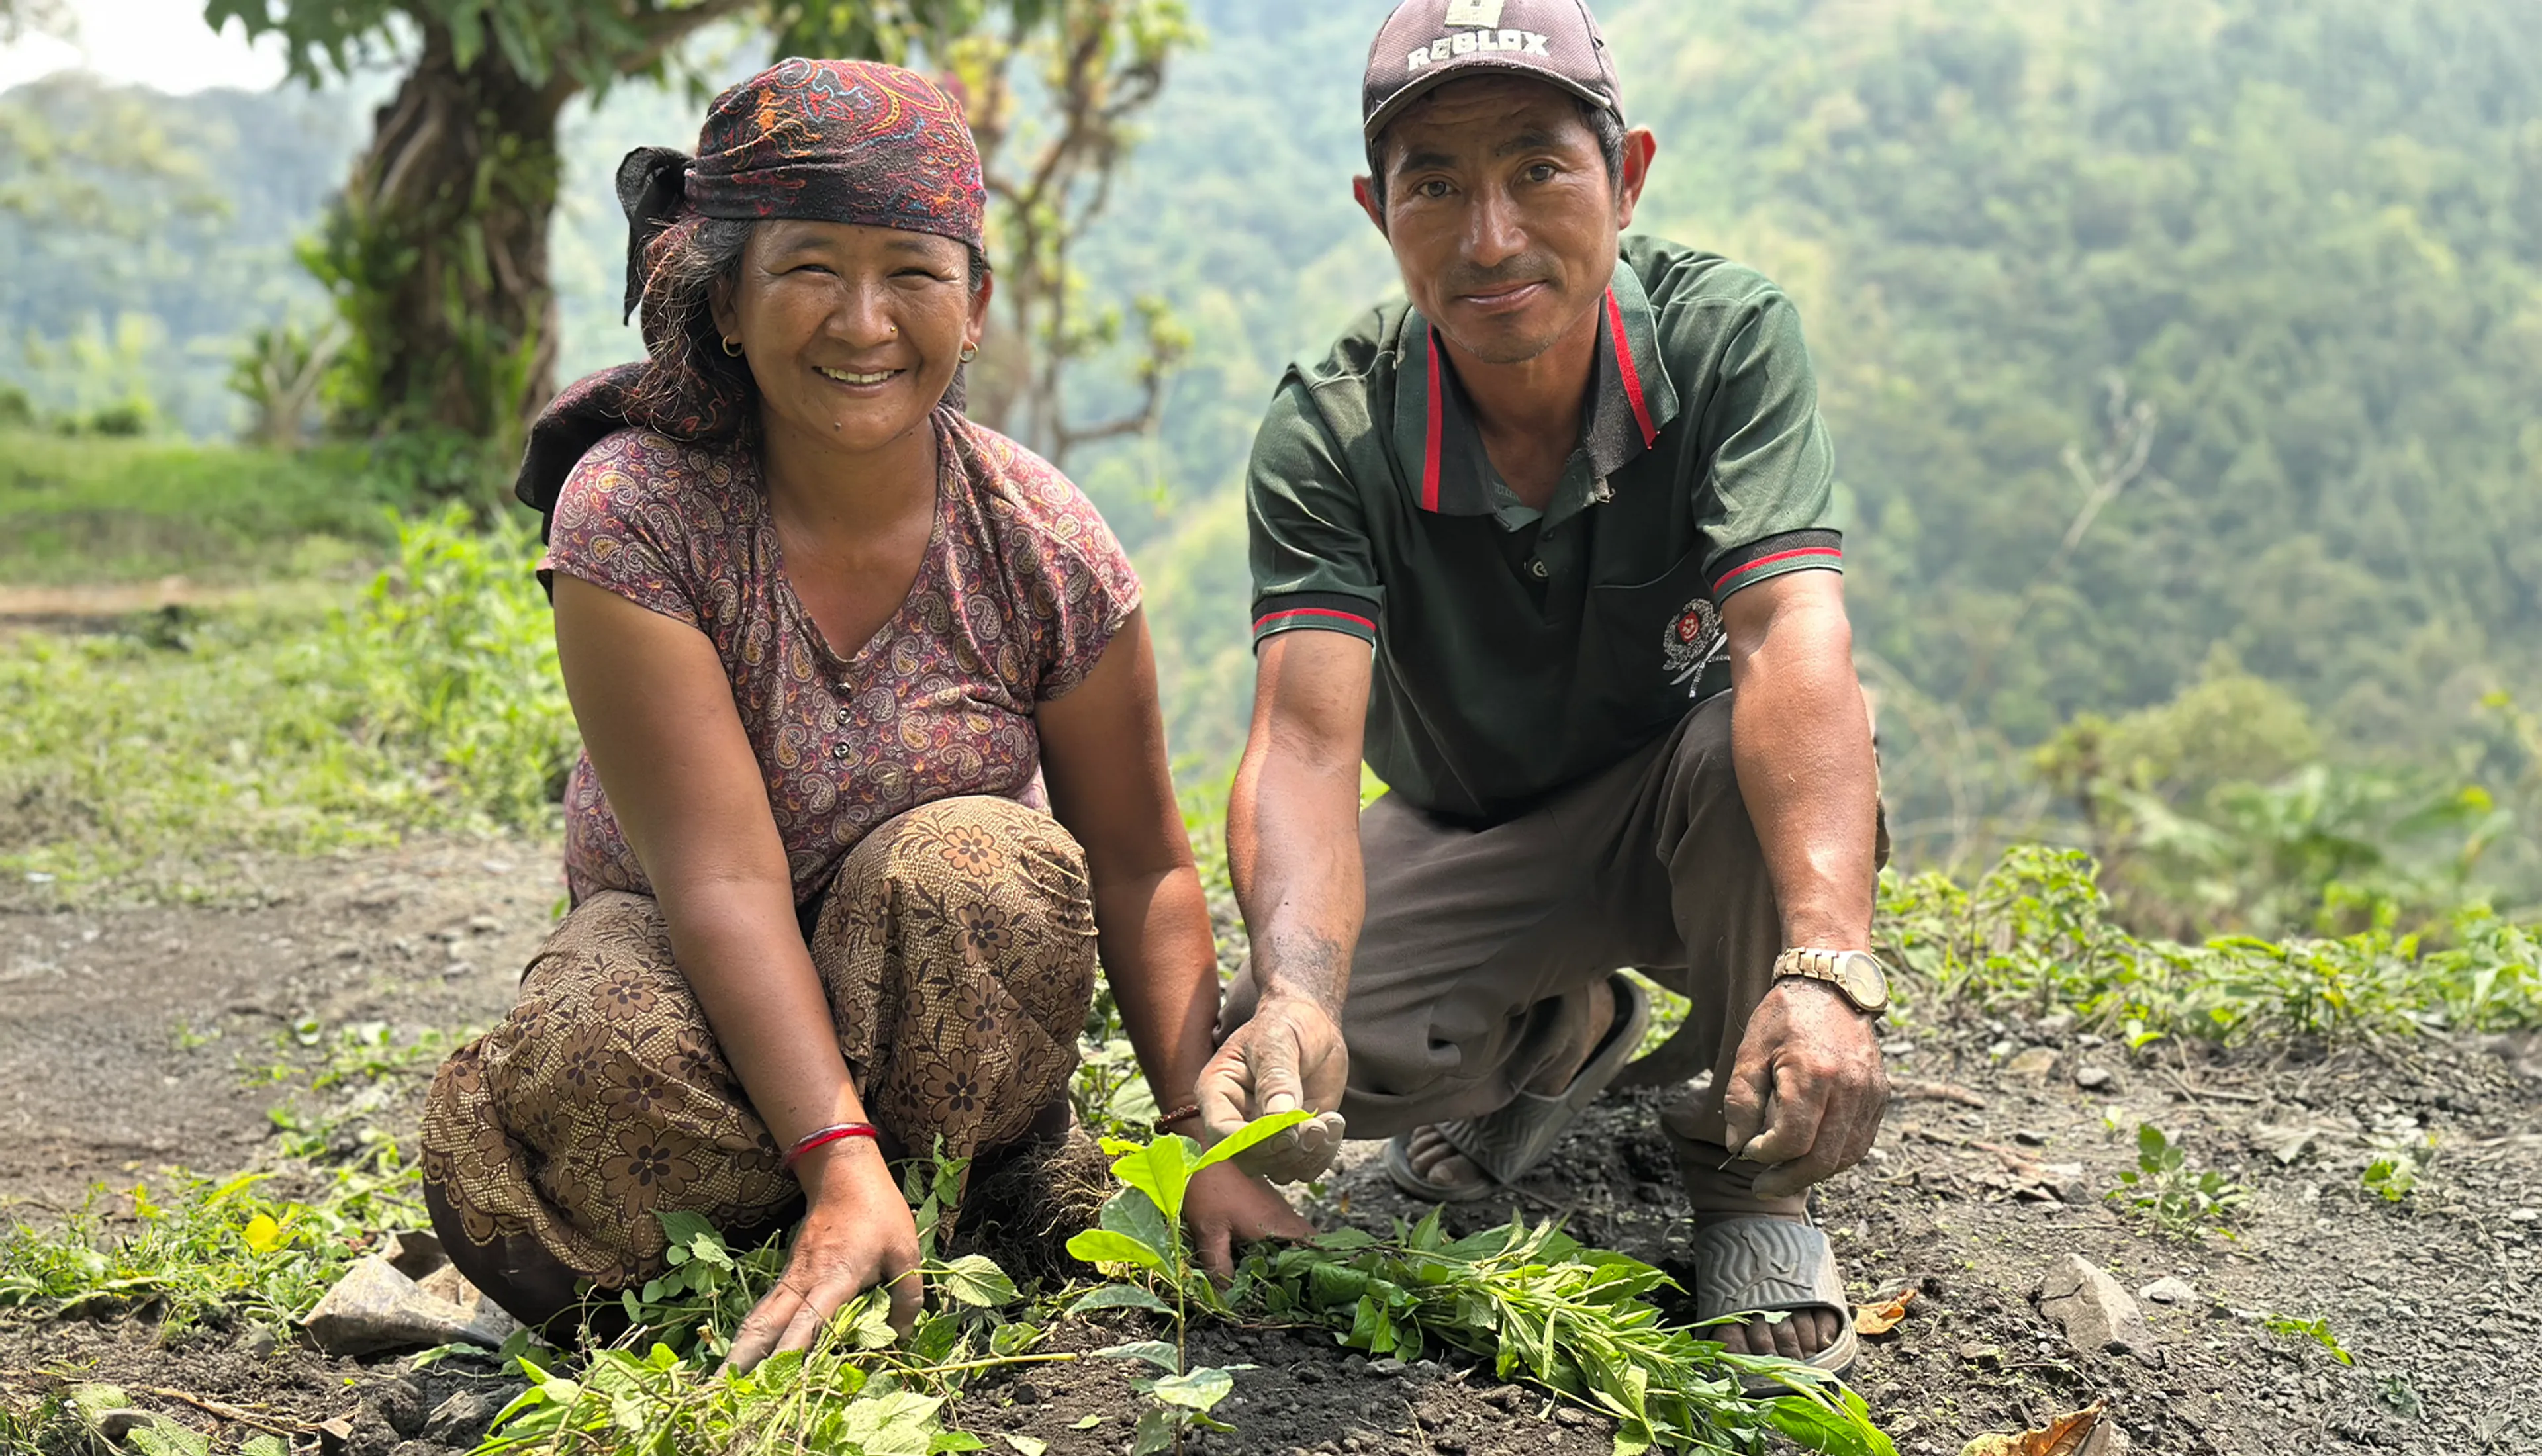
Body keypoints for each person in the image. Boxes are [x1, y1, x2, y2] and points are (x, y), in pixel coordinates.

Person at [418, 56, 1305, 1370]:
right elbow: (719, 877)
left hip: (941, 1022)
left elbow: (1139, 861)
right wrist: (834, 1151)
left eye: (912, 272)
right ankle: (861, 1207)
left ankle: (944, 1184)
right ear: (727, 299)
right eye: (811, 269)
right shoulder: (637, 513)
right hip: (701, 988)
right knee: (591, 1042)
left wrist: (1198, 1135)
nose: (864, 321)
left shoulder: (1041, 541)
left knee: (977, 863)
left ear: (975, 304)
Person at [1194, 0, 1892, 1384]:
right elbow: (1307, 742)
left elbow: (1790, 635)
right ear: (1377, 213)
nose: (1492, 236)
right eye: (1436, 187)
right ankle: (1565, 1029)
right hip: (1474, 829)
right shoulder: (1334, 427)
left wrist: (1829, 960)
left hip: (1688, 818)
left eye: (1537, 170)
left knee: (1743, 757)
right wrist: (1298, 991)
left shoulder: (1721, 342)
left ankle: (1751, 1188)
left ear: (1626, 178)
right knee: (1312, 1058)